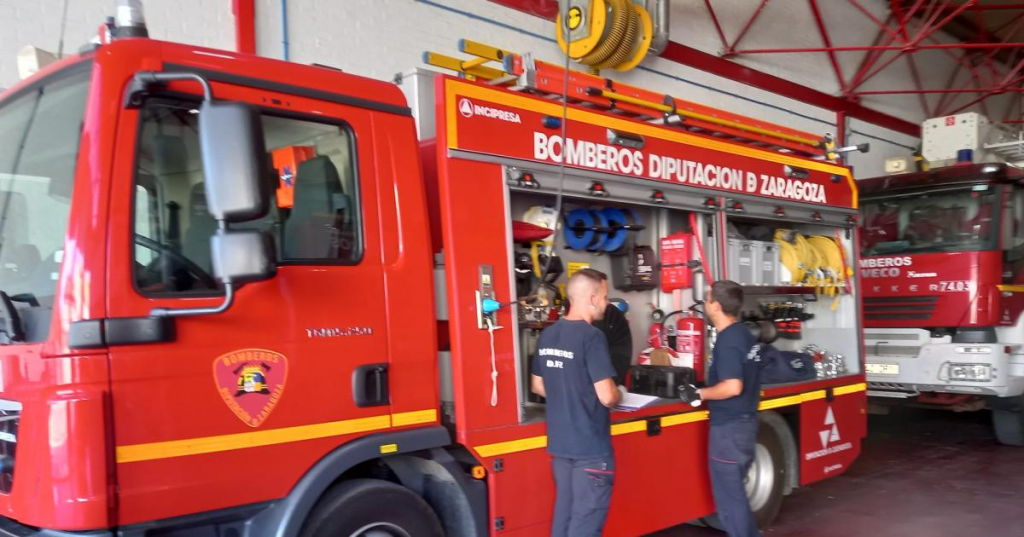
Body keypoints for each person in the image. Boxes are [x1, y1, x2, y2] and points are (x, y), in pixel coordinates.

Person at [531, 268, 623, 537]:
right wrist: (620, 394)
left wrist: (569, 393)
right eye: (605, 297)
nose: (607, 303)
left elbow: (537, 385)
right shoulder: (591, 337)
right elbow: (607, 396)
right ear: (592, 298)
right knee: (585, 527)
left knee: (564, 521)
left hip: (561, 450)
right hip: (591, 452)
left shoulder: (547, 335)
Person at [679, 280, 761, 537]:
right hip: (745, 426)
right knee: (735, 494)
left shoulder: (727, 340)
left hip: (729, 430)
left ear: (716, 305)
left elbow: (733, 386)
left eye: (707, 299)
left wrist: (700, 393)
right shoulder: (744, 334)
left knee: (730, 500)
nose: (705, 303)